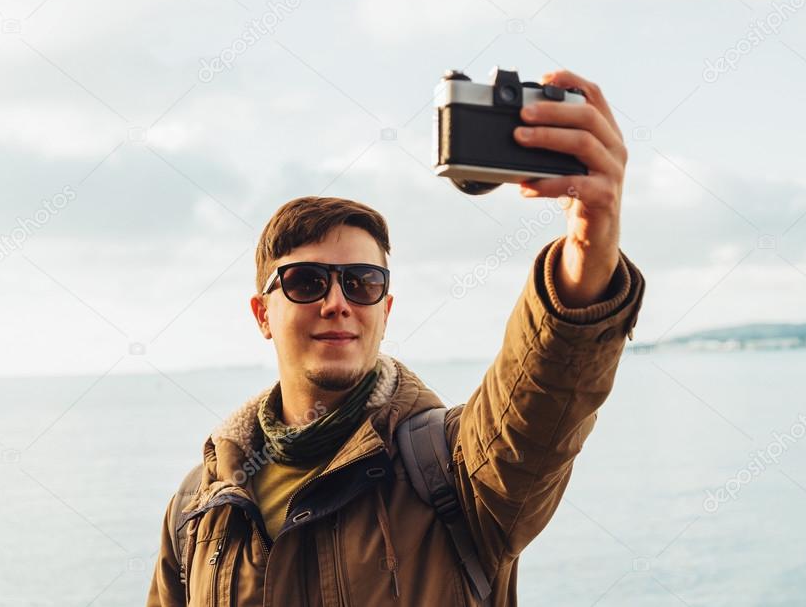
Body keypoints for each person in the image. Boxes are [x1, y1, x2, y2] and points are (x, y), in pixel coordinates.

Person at [146, 69, 646, 606]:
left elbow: (538, 397)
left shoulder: (456, 469)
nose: (336, 302)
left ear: (385, 310)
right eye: (306, 282)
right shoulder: (200, 508)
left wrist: (590, 243)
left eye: (362, 284)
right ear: (262, 314)